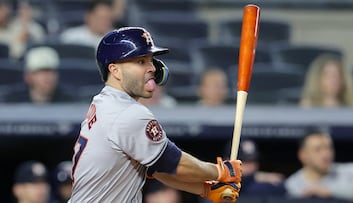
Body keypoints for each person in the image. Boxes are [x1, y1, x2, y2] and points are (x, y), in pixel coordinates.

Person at [69, 27, 242, 203]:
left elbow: (157, 168)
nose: (152, 68)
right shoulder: (128, 113)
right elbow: (174, 163)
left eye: (151, 60)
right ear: (115, 70)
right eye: (140, 62)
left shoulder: (104, 102)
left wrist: (206, 189)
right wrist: (221, 171)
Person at [285, 130, 353, 201]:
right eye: (317, 149)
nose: (325, 154)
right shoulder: (293, 185)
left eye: (328, 148)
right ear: (303, 155)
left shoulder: (351, 171)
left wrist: (330, 191)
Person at [4, 46, 73, 104]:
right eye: (41, 72)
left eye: (51, 71)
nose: (48, 77)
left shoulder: (70, 102)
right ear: (28, 76)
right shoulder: (12, 102)